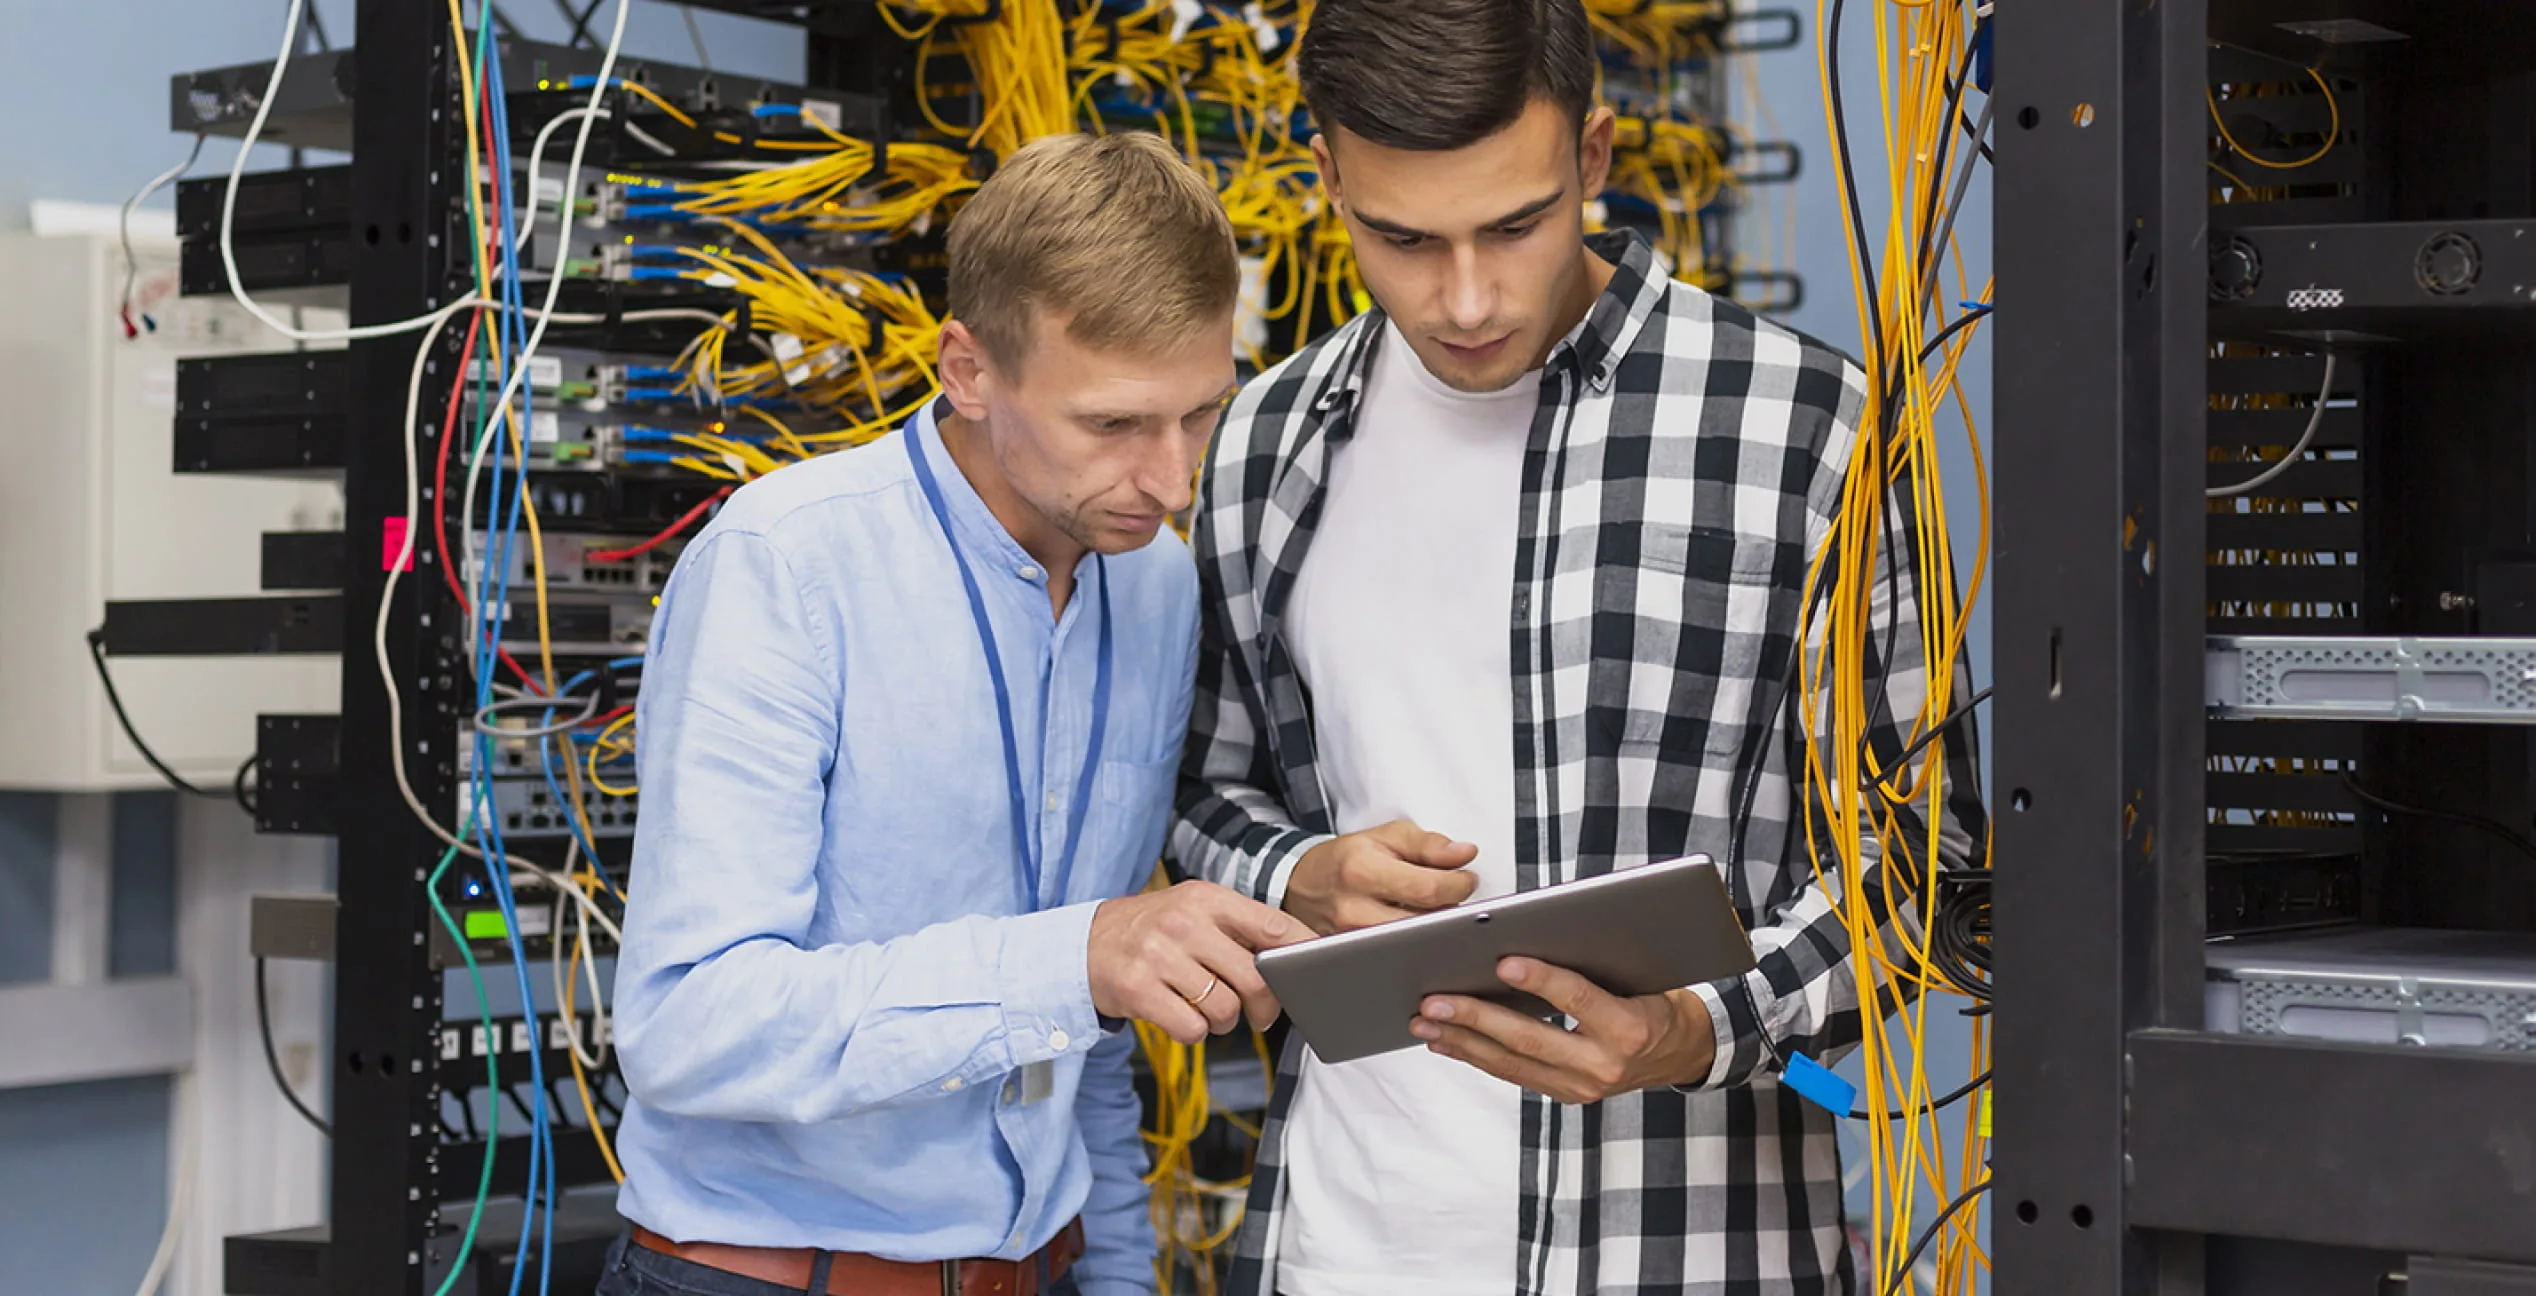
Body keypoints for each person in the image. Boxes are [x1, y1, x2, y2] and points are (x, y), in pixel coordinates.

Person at [1171, 1, 1986, 1292]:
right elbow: (1207, 794)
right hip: (1340, 1249)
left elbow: (1927, 863)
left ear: (1594, 158)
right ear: (1323, 176)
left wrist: (1696, 1028)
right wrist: (1297, 874)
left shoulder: (1805, 428)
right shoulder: (1265, 445)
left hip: (1690, 1253)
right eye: (1402, 238)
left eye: (1515, 223)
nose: (1469, 298)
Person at [602, 131, 1308, 1296]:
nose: (1171, 480)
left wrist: (1120, 1276)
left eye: (1197, 417)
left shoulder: (1155, 578)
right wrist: (1072, 958)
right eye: (1115, 425)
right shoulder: (787, 568)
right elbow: (690, 1024)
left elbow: (1078, 1036)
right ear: (967, 370)